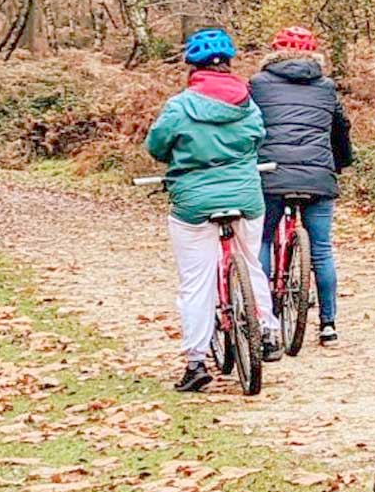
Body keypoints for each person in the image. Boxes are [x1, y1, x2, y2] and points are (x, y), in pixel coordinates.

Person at [146, 27, 279, 392]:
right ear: (229, 65)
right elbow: (258, 137)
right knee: (251, 263)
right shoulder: (248, 103)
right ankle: (267, 331)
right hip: (246, 196)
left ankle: (195, 362)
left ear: (193, 68)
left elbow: (156, 146)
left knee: (196, 282)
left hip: (194, 201)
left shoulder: (179, 106)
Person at [250, 26, 354, 345]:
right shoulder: (325, 87)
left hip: (271, 175)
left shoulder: (257, 85)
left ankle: (266, 319)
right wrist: (341, 162)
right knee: (321, 249)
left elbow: (247, 127)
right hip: (317, 176)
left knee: (264, 240)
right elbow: (340, 129)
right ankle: (328, 325)